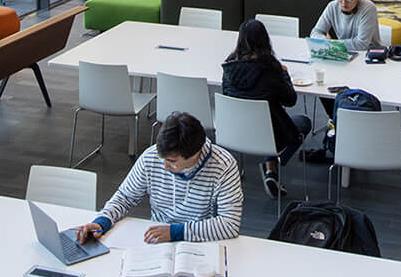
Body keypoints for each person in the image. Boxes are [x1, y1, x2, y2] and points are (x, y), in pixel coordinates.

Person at [76, 111, 242, 244]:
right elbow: (125, 198)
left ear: (194, 155)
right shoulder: (152, 157)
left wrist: (175, 232)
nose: (165, 167)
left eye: (172, 162)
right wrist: (102, 221)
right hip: (158, 239)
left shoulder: (224, 166)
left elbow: (229, 224)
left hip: (202, 241)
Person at [221, 20, 313, 198]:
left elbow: (227, 95)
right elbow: (291, 100)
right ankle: (271, 166)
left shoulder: (228, 68)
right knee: (303, 123)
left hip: (236, 133)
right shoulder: (272, 70)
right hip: (269, 135)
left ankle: (271, 167)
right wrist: (284, 74)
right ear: (265, 41)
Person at [310, 0, 381, 50]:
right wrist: (325, 41)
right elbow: (316, 32)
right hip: (343, 51)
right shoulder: (332, 6)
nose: (343, 3)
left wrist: (333, 44)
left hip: (368, 53)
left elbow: (361, 44)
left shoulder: (368, 8)